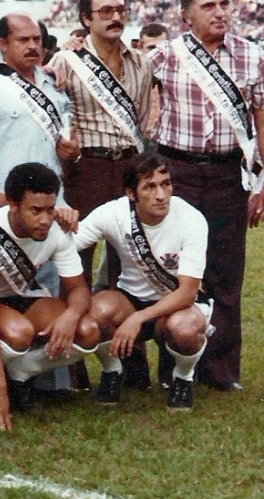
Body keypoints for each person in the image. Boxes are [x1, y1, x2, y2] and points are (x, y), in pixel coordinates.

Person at [148, 0, 264, 391]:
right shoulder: (164, 56)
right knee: (173, 271)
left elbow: (260, 121)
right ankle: (174, 365)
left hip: (227, 174)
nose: (220, 12)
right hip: (176, 173)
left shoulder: (252, 57)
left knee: (225, 271)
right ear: (187, 15)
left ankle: (220, 371)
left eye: (225, 4)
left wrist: (262, 182)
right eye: (209, 6)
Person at [0, 163, 99, 431]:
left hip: (23, 296)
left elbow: (79, 289)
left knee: (88, 330)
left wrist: (71, 315)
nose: (45, 219)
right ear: (13, 204)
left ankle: (21, 374)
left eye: (50, 209)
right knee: (18, 332)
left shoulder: (56, 230)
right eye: (35, 210)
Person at [73, 154, 209, 411]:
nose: (161, 195)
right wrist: (60, 222)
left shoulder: (192, 219)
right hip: (130, 300)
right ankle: (112, 372)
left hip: (176, 306)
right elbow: (68, 245)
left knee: (185, 327)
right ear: (131, 193)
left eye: (165, 184)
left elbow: (188, 293)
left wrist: (138, 319)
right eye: (150, 186)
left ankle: (183, 378)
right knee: (93, 313)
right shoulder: (113, 213)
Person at [47, 0, 153, 283]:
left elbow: (141, 118)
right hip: (85, 168)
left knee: (129, 251)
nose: (115, 17)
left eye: (121, 10)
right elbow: (51, 116)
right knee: (76, 248)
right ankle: (73, 320)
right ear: (86, 19)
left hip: (129, 166)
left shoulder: (141, 63)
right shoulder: (66, 61)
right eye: (105, 11)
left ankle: (118, 320)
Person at [0, 12, 79, 208]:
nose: (33, 46)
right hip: (4, 203)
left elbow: (69, 139)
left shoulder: (55, 86)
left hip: (52, 202)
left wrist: (72, 151)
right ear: (3, 44)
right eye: (23, 40)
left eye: (37, 39)